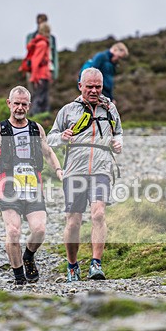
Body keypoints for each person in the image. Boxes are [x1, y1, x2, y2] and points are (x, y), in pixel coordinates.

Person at [0, 86, 63, 285]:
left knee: (39, 230)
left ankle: (28, 256)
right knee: (13, 231)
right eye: (16, 103)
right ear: (9, 103)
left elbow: (48, 153)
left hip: (33, 187)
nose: (20, 108)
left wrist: (59, 170)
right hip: (9, 187)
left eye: (23, 104)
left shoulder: (36, 128)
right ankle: (19, 277)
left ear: (29, 106)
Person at [47, 67, 123, 282]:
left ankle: (95, 264)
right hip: (75, 171)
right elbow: (50, 139)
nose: (94, 90)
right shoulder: (68, 110)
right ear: (80, 86)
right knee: (73, 221)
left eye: (97, 86)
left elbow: (119, 133)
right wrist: (62, 136)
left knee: (98, 214)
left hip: (101, 169)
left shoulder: (110, 109)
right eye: (89, 86)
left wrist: (118, 144)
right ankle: (72, 265)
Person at [22, 22, 53, 115]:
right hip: (41, 75)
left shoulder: (39, 42)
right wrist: (34, 78)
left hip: (41, 75)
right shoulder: (42, 44)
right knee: (39, 98)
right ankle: (35, 117)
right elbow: (36, 61)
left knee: (42, 97)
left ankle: (42, 117)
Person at [25, 13, 59, 82]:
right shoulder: (31, 37)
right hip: (33, 69)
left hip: (47, 69)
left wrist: (55, 71)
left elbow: (54, 55)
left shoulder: (51, 39)